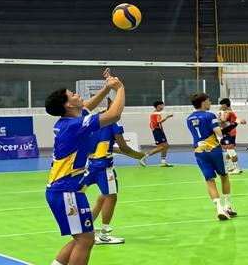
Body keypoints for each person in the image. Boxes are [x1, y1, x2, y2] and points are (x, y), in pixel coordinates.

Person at [45, 69, 125, 265]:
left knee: (80, 238)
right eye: (73, 94)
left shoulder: (69, 120)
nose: (78, 95)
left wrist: (107, 88)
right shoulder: (74, 126)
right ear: (68, 104)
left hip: (62, 189)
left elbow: (88, 106)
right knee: (86, 240)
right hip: (67, 191)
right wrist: (119, 88)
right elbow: (114, 114)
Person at [82, 98, 148, 245]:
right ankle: (104, 234)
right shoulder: (114, 121)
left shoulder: (95, 119)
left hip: (89, 164)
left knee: (103, 197)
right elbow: (123, 147)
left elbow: (108, 146)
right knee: (112, 197)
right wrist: (140, 155)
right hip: (103, 167)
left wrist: (135, 155)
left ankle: (86, 228)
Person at [186, 92, 236, 221]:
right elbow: (219, 133)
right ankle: (228, 206)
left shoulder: (189, 118)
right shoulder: (210, 115)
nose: (210, 103)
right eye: (208, 101)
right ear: (203, 102)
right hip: (214, 150)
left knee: (210, 180)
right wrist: (232, 125)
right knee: (224, 177)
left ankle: (219, 208)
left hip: (199, 151)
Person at [218, 98, 247, 175]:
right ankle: (231, 167)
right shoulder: (228, 111)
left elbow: (222, 120)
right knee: (228, 151)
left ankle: (237, 168)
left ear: (226, 104)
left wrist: (219, 114)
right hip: (229, 132)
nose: (221, 106)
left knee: (230, 150)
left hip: (228, 133)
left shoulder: (227, 111)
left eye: (222, 104)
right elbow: (235, 119)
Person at [149, 100, 174, 167]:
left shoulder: (153, 113)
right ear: (158, 106)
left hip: (158, 131)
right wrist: (167, 117)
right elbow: (159, 121)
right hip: (157, 131)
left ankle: (163, 161)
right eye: (162, 105)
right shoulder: (157, 114)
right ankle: (145, 155)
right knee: (163, 146)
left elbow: (152, 124)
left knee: (165, 146)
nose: (163, 107)